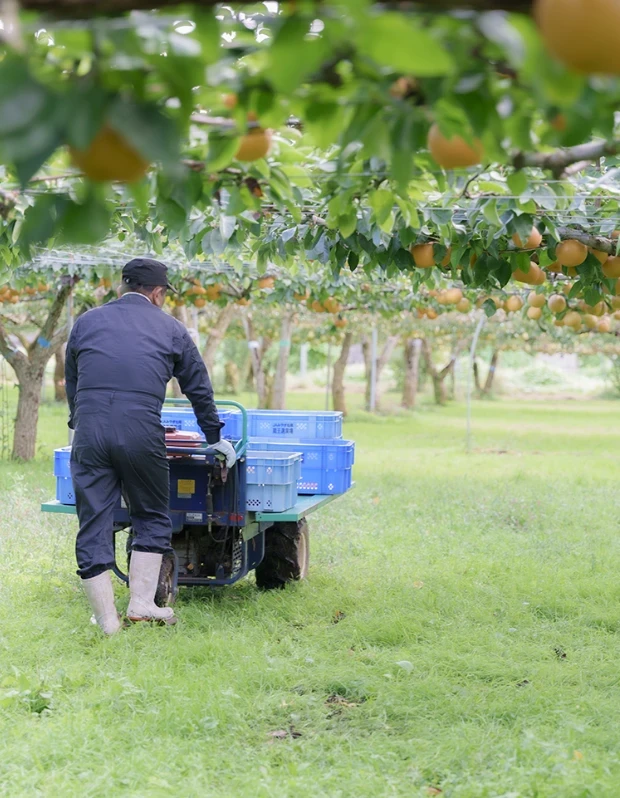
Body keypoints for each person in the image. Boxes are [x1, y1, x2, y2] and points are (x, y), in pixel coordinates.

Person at [65, 257, 236, 634]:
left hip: (90, 431)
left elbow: (72, 381)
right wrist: (214, 437)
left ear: (122, 287)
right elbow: (198, 388)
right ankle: (141, 604)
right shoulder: (171, 328)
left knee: (93, 522)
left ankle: (107, 622)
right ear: (158, 293)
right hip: (141, 430)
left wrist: (82, 423)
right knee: (153, 515)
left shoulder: (86, 322)